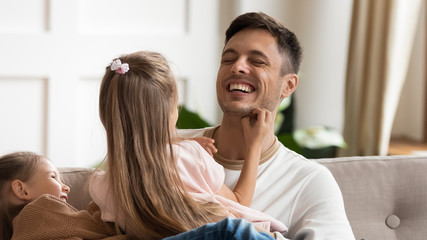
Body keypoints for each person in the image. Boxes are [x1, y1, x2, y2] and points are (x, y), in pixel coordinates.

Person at [178, 12, 356, 240]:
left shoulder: (309, 181)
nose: (238, 67)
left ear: (288, 85)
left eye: (257, 61)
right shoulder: (172, 149)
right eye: (228, 59)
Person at [89, 51, 288, 239]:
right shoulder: (189, 156)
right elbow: (240, 201)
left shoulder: (102, 187)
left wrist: (178, 144)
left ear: (106, 116)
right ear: (168, 113)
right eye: (175, 105)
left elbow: (141, 149)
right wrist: (254, 144)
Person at [0, 151, 276, 240]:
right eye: (53, 177)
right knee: (231, 230)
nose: (66, 186)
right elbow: (96, 227)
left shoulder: (38, 223)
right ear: (21, 189)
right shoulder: (38, 212)